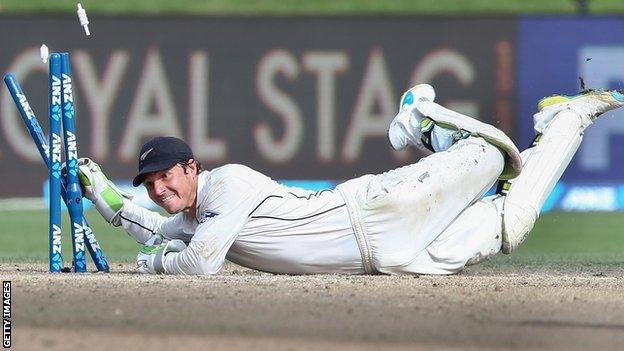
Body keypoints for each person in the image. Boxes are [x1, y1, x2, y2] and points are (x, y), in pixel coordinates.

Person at [78, 84, 624, 275]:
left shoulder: (227, 187)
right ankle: (569, 118)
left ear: (191, 167)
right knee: (512, 221)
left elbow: (196, 264)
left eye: (163, 177)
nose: (156, 189)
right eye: (147, 184)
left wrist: (154, 265)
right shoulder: (198, 215)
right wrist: (106, 198)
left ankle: (421, 120)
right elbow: (156, 230)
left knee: (489, 153)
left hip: (376, 209)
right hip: (394, 260)